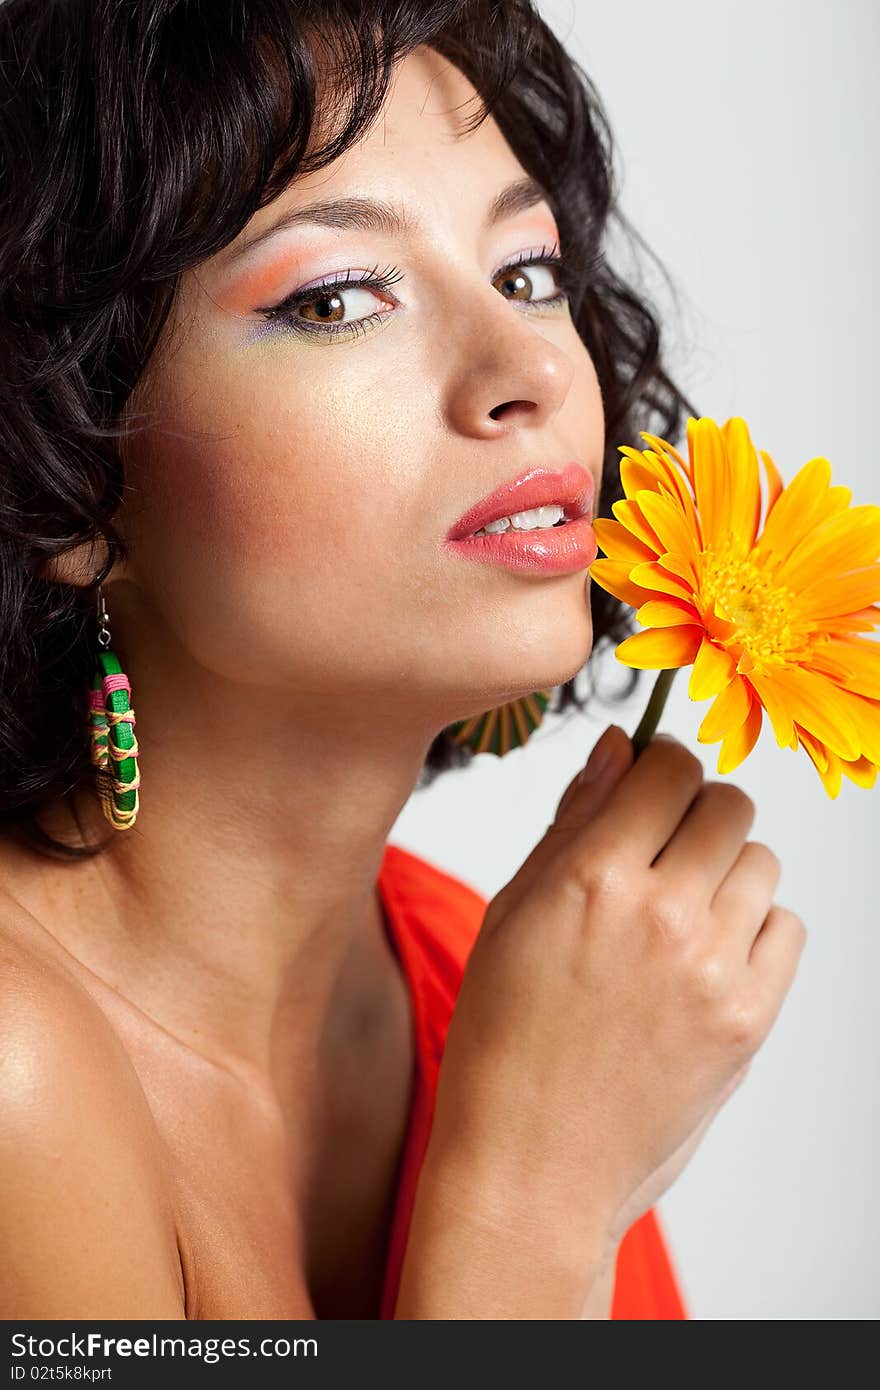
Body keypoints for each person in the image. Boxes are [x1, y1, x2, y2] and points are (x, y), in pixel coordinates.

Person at [0, 0, 806, 1320]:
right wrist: (528, 1197)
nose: (527, 369)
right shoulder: (17, 1073)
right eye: (336, 297)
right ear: (73, 482)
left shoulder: (514, 981)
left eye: (529, 273)